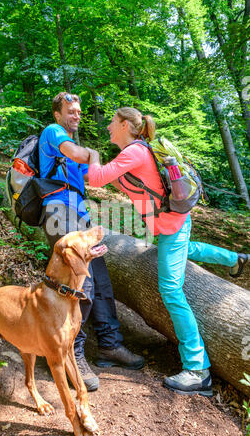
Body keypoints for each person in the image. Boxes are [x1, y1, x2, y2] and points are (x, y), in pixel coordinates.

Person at [87, 106, 249, 397]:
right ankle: (235, 259)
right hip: (172, 225)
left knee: (171, 290)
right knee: (184, 249)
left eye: (113, 121)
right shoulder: (137, 151)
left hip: (172, 224)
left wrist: (91, 157)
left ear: (125, 124)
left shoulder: (134, 152)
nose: (109, 126)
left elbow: (97, 178)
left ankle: (198, 370)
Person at [38, 94, 145, 392]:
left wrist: (142, 180)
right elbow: (82, 155)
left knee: (100, 279)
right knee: (79, 283)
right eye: (70, 111)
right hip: (58, 212)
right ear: (58, 114)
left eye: (79, 112)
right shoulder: (53, 133)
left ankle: (110, 345)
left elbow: (100, 177)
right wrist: (95, 153)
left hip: (80, 216)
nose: (77, 115)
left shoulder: (75, 148)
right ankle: (71, 351)